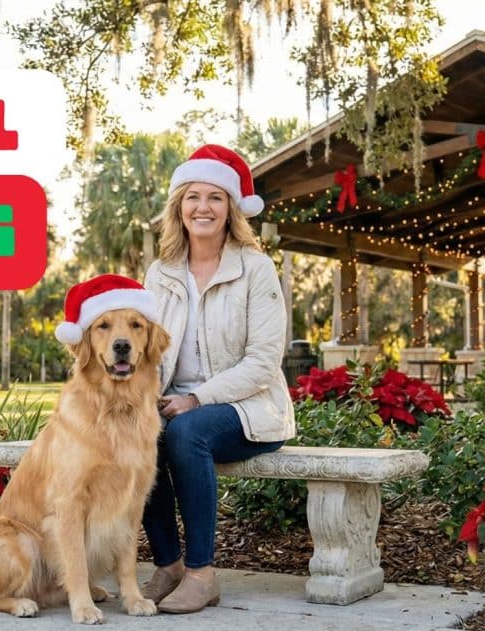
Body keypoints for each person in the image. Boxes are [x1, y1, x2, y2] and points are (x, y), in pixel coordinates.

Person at [140, 144, 296, 614]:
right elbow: (147, 349)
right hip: (174, 402)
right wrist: (142, 398)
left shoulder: (255, 268)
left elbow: (263, 361)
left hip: (249, 409)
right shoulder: (160, 272)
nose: (202, 207)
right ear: (179, 207)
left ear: (231, 208)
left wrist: (197, 399)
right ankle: (168, 564)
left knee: (187, 431)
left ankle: (202, 574)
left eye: (215, 197)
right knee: (138, 432)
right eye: (193, 197)